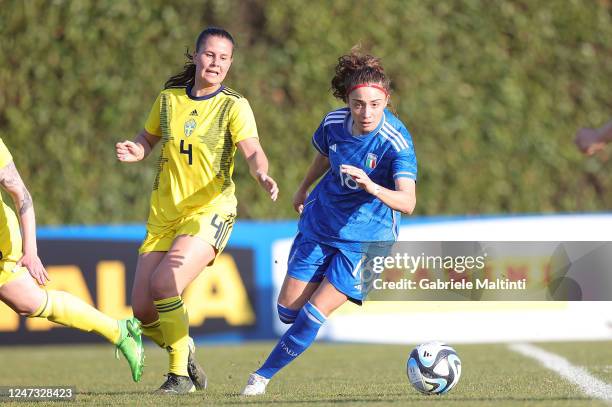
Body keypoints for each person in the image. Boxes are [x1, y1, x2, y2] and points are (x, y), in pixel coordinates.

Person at [241, 49, 417, 396]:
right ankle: (321, 284)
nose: (366, 113)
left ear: (387, 101)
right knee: (287, 312)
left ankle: (259, 378)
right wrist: (304, 187)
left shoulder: (396, 142)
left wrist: (371, 186)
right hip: (322, 222)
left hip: (368, 240)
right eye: (357, 104)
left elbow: (408, 202)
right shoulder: (333, 123)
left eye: (374, 105)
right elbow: (325, 154)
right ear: (347, 101)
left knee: (312, 314)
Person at [116, 27, 278, 394]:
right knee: (143, 310)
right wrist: (136, 150)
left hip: (210, 210)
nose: (216, 63)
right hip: (164, 215)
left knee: (164, 284)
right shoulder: (168, 99)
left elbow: (252, 149)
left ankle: (179, 377)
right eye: (209, 55)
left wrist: (262, 172)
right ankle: (183, 345)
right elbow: (148, 138)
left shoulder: (234, 105)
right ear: (195, 56)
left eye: (223, 58)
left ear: (230, 63)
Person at [0, 137, 144, 382]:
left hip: (3, 244)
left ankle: (121, 333)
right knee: (29, 303)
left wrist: (31, 250)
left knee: (32, 303)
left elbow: (20, 193)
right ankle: (119, 332)